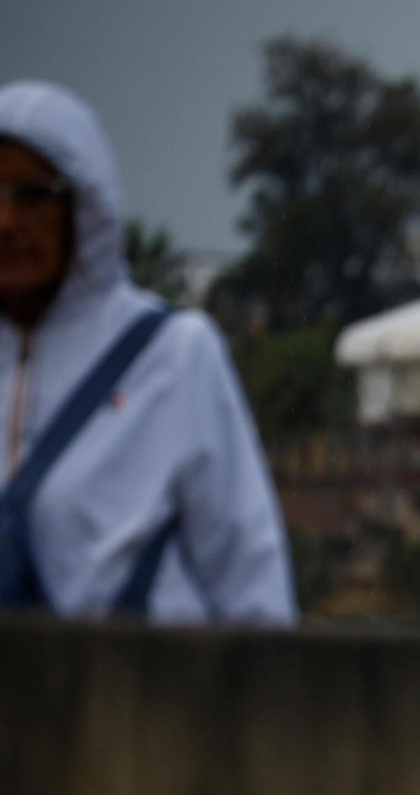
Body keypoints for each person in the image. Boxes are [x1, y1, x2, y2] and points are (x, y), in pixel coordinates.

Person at [0, 81, 295, 624]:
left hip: (142, 698)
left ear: (82, 206)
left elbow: (249, 578)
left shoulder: (173, 354)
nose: (6, 221)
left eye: (32, 195)